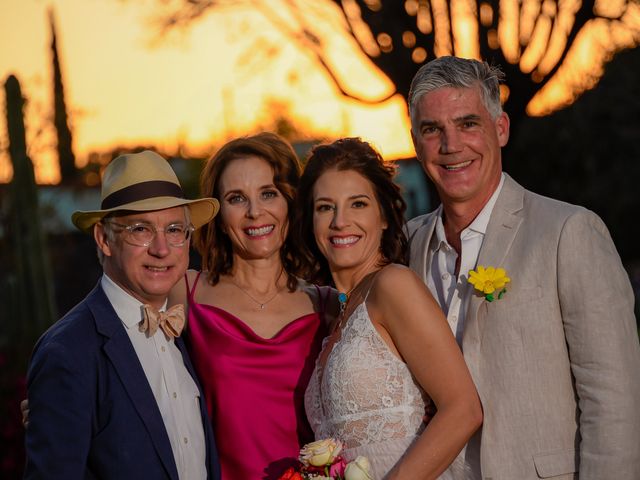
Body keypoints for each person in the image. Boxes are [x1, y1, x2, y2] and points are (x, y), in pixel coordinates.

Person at [406, 55, 640, 479]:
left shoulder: (568, 233)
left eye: (468, 123)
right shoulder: (407, 245)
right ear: (415, 140)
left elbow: (614, 400)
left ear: (501, 128)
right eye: (432, 129)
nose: (450, 145)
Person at [24, 151, 221, 480]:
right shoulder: (67, 352)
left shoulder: (183, 332)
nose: (161, 249)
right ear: (104, 239)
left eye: (174, 229)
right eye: (141, 229)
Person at [294, 137, 482, 479]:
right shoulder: (336, 313)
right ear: (310, 221)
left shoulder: (393, 285)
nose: (340, 221)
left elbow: (463, 410)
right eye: (325, 207)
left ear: (383, 215)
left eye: (358, 204)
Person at [168, 133, 333, 479]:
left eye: (268, 193)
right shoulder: (186, 290)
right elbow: (116, 339)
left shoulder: (327, 306)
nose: (255, 212)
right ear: (218, 214)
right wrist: (69, 395)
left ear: (290, 202)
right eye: (236, 198)